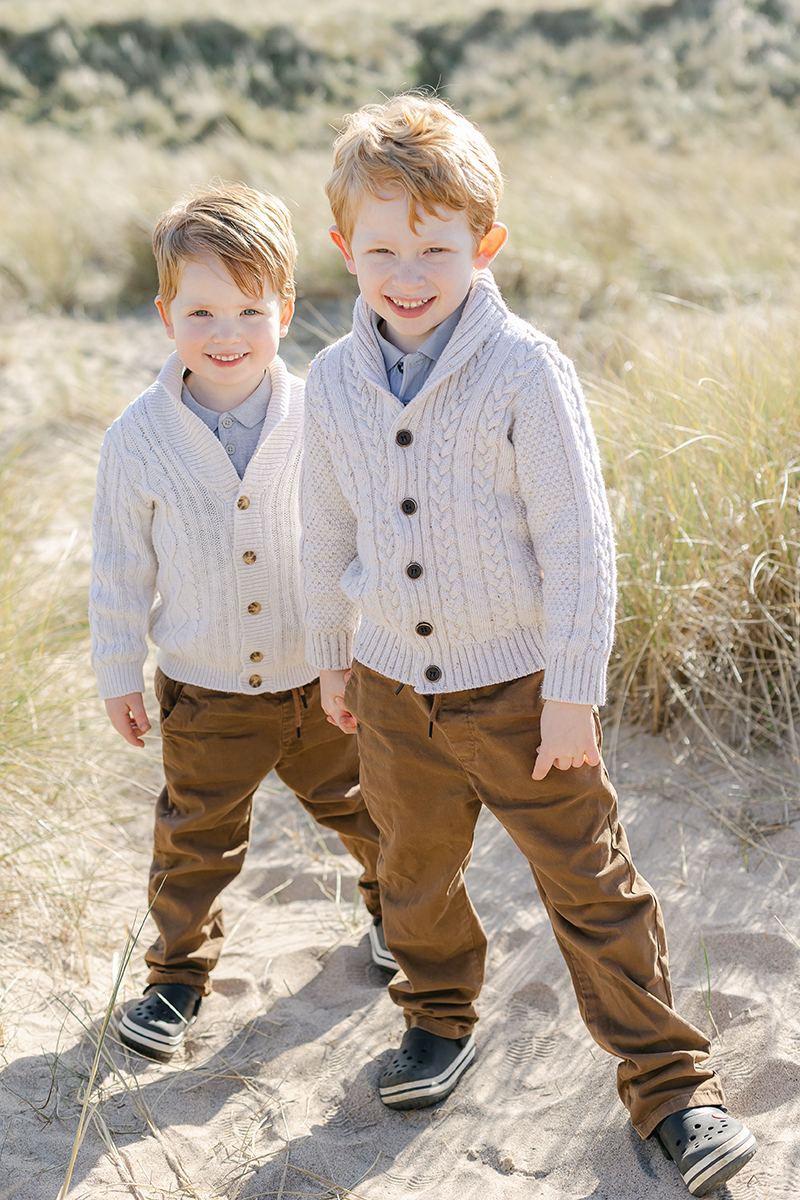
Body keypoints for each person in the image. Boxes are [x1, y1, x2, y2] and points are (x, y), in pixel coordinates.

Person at [299, 96, 756, 1196]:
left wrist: (571, 690)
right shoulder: (329, 381)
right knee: (409, 876)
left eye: (436, 246)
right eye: (382, 249)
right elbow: (322, 527)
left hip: (519, 690)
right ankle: (437, 1017)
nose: (408, 271)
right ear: (341, 249)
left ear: (484, 244)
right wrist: (330, 655)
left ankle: (668, 1085)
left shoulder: (522, 369)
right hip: (392, 687)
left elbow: (577, 540)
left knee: (588, 884)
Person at [89, 182, 395, 1064]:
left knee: (370, 809)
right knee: (194, 838)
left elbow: (364, 529)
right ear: (165, 313)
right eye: (202, 311)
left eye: (249, 310)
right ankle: (178, 976)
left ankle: (391, 914)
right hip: (206, 689)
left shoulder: (322, 414)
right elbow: (119, 567)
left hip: (323, 675)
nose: (227, 334)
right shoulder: (138, 437)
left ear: (287, 309)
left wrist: (368, 639)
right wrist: (118, 671)